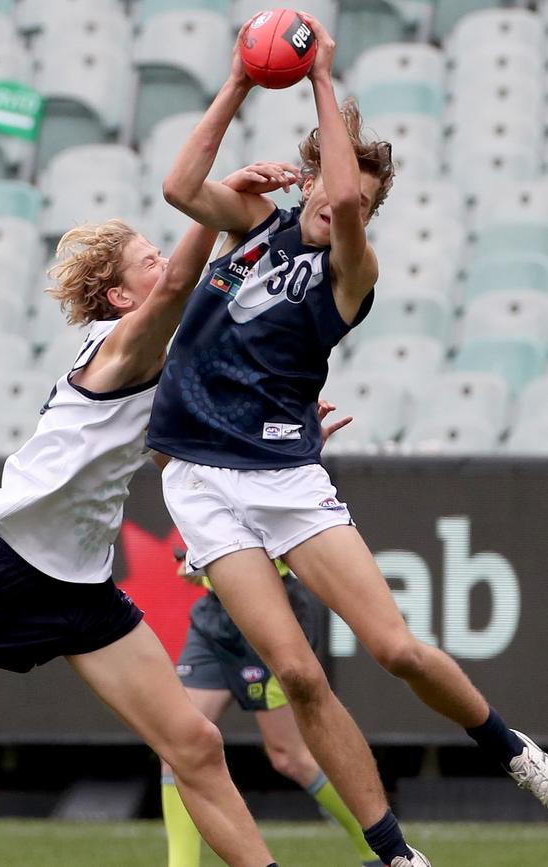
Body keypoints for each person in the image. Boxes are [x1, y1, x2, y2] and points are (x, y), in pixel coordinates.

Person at [147, 14, 548, 867]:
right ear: (305, 184)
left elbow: (350, 199)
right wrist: (240, 82)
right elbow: (182, 187)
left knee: (395, 647)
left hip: (285, 475)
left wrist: (323, 79)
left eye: (355, 192)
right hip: (202, 478)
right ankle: (398, 856)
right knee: (296, 675)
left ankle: (514, 750)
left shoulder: (351, 269)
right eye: (329, 185)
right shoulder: (255, 223)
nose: (339, 199)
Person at [0, 204, 295, 867]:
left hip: (84, 588)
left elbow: (185, 453)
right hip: (14, 573)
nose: (163, 265)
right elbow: (179, 289)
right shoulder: (124, 343)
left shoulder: (159, 362)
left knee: (195, 744)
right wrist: (213, 196)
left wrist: (285, 438)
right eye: (149, 260)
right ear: (119, 295)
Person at [162, 551, 385, 867]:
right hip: (215, 616)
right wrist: (199, 561)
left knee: (291, 757)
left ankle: (377, 849)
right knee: (176, 747)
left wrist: (216, 562)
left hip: (268, 609)